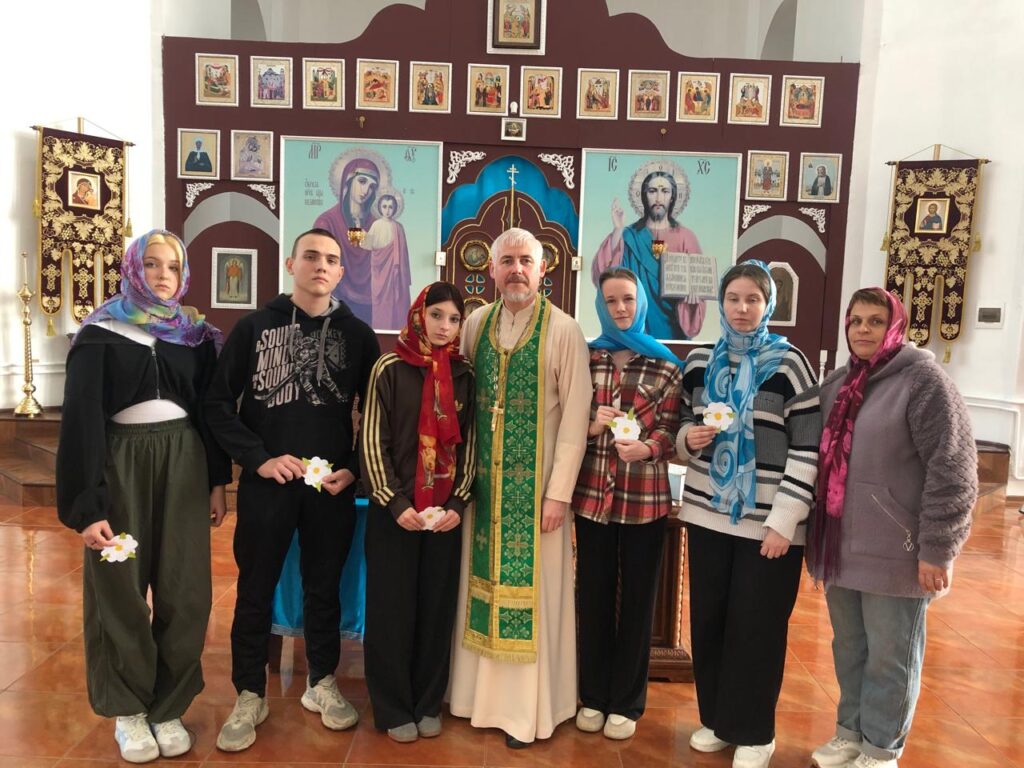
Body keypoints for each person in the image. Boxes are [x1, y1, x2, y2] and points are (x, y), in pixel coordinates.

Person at [56, 229, 229, 764]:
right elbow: (81, 419)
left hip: (184, 464)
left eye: (172, 266)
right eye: (152, 264)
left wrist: (216, 481)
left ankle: (168, 706)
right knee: (120, 586)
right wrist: (88, 507)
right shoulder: (100, 333)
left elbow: (209, 413)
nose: (163, 275)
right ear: (133, 269)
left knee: (185, 588)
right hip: (120, 464)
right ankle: (128, 708)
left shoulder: (194, 336)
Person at [205, 228, 380, 752]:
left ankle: (321, 682)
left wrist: (354, 469)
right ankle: (248, 693)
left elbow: (378, 413)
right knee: (255, 588)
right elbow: (217, 404)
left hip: (330, 487)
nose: (321, 266)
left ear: (341, 272)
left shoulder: (358, 335)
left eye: (331, 259)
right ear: (291, 264)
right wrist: (257, 459)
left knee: (323, 588)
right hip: (269, 484)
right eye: (311, 256)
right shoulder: (254, 327)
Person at [806, 288, 976, 768]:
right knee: (850, 649)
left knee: (891, 657)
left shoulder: (924, 382)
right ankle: (850, 733)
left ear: (895, 327)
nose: (863, 329)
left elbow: (954, 469)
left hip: (898, 550)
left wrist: (938, 549)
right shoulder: (837, 384)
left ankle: (882, 750)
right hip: (840, 548)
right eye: (855, 321)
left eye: (875, 321)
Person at [448, 227, 592, 748]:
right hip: (482, 492)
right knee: (476, 586)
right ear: (491, 270)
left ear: (542, 268)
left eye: (525, 261)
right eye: (506, 261)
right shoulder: (476, 324)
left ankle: (528, 712)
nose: (516, 270)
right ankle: (473, 700)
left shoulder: (565, 330)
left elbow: (575, 418)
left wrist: (558, 494)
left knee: (537, 598)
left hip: (537, 499)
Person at [676, 260, 821, 768]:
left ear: (768, 305)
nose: (742, 309)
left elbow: (808, 446)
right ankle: (718, 720)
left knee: (756, 627)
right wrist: (687, 438)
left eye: (752, 300)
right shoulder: (700, 360)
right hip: (707, 512)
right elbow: (681, 420)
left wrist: (785, 520)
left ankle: (756, 732)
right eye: (733, 298)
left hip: (768, 525)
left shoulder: (790, 364)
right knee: (709, 621)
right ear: (721, 302)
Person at [360, 281, 476, 743]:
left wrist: (457, 503)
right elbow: (373, 440)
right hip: (396, 514)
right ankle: (392, 707)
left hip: (443, 518)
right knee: (392, 611)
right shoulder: (390, 367)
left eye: (454, 319)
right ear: (418, 315)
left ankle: (428, 702)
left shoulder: (464, 374)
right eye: (437, 315)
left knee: (435, 611)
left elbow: (471, 445)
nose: (445, 326)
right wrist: (394, 501)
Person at [572, 267, 682, 741]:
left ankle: (627, 702)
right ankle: (593, 695)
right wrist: (591, 425)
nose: (620, 308)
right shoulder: (585, 358)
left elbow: (672, 429)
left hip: (643, 500)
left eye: (628, 299)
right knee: (592, 596)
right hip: (592, 498)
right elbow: (562, 421)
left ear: (641, 303)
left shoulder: (665, 364)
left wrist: (649, 448)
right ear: (600, 304)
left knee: (638, 600)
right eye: (612, 300)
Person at [592, 167, 706, 340]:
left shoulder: (686, 237)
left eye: (665, 191)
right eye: (652, 191)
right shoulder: (628, 235)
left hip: (672, 326)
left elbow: (698, 282)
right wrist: (618, 230)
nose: (658, 198)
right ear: (644, 196)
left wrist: (693, 299)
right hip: (635, 323)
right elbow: (604, 274)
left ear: (673, 197)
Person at [361, 192, 413, 328]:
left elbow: (404, 255)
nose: (387, 210)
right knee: (380, 302)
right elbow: (369, 245)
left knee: (395, 300)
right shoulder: (376, 225)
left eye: (390, 207)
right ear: (380, 207)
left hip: (394, 271)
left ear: (395, 209)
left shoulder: (398, 227)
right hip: (379, 269)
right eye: (384, 206)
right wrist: (361, 235)